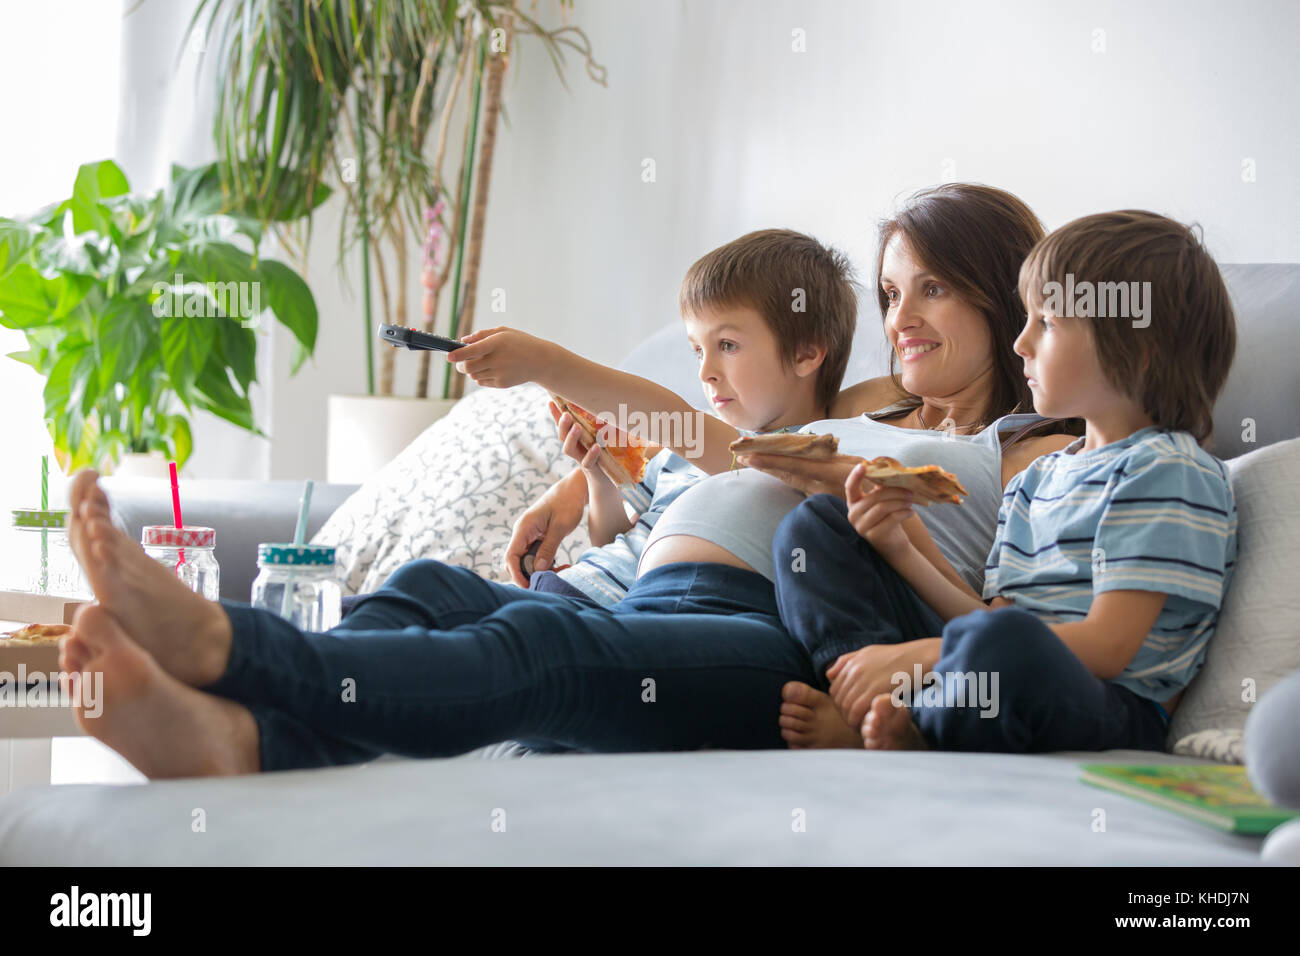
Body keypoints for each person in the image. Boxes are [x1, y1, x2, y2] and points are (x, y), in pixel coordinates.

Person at [56, 186, 1071, 776]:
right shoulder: (869, 402)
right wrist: (594, 482)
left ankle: (232, 647)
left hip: (761, 630)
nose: (899, 315)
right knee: (435, 592)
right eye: (892, 292)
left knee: (541, 645)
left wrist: (552, 361)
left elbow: (1033, 631)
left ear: (1004, 294)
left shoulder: (1031, 446)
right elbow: (724, 437)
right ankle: (242, 737)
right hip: (648, 588)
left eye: (931, 288)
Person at [777, 210, 1238, 754]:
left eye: (1046, 323)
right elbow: (984, 617)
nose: (1020, 343)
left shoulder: (1167, 471)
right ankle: (866, 697)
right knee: (818, 526)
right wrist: (898, 546)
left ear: (1137, 349)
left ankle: (918, 721)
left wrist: (927, 654)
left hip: (1105, 700)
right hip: (989, 666)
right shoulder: (1039, 478)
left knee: (1005, 648)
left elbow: (1109, 647)